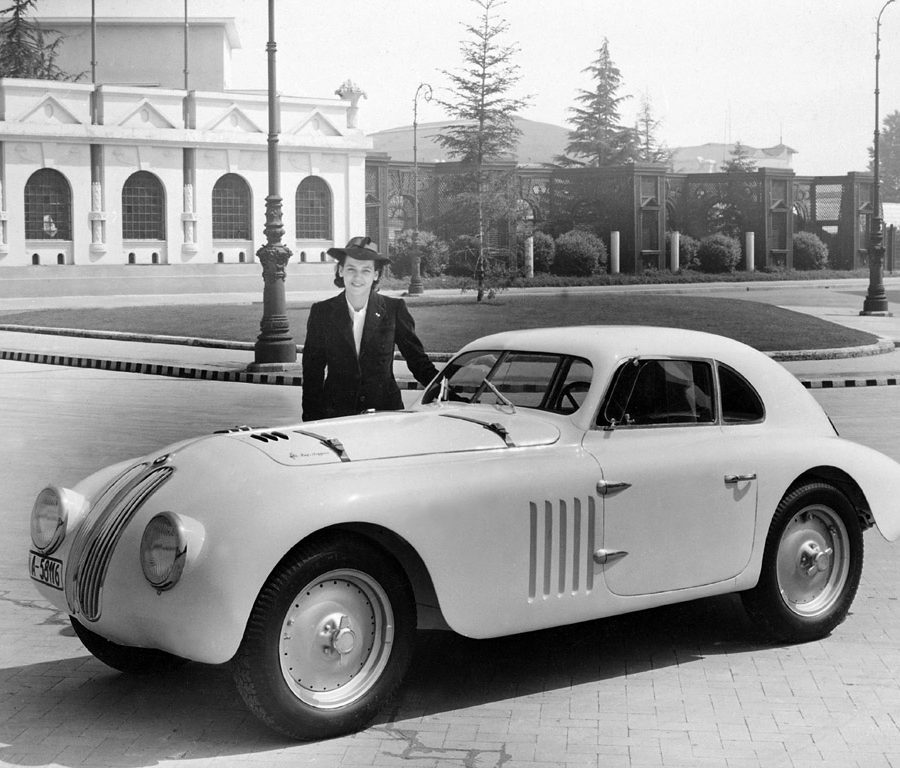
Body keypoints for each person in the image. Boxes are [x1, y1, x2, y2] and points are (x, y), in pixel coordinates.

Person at [301, 236, 439, 422]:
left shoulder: (394, 309)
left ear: (375, 275)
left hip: (385, 414)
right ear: (341, 271)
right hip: (335, 415)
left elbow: (418, 361)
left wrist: (447, 392)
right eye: (351, 269)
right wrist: (311, 419)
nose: (358, 277)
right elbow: (312, 371)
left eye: (366, 270)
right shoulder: (322, 312)